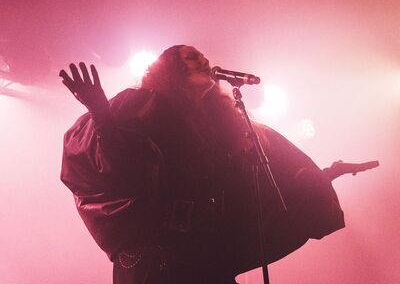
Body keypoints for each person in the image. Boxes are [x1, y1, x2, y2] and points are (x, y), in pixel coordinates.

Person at [60, 45, 378, 284]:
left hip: (206, 256)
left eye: (203, 56)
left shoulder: (223, 123)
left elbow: (255, 186)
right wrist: (100, 113)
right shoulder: (141, 105)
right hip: (156, 261)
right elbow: (120, 171)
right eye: (190, 56)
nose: (203, 60)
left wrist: (323, 176)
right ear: (167, 69)